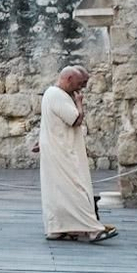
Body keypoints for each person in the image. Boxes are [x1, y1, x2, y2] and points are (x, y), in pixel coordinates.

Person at [40, 66, 116, 243]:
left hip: (56, 148)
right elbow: (75, 119)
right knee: (75, 187)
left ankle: (59, 227)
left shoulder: (50, 94)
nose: (81, 88)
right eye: (80, 83)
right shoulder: (58, 95)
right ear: (68, 79)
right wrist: (79, 103)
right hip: (64, 152)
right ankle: (92, 229)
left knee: (58, 190)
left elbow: (50, 123)